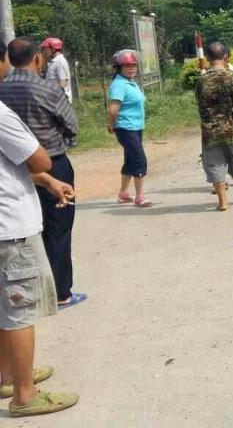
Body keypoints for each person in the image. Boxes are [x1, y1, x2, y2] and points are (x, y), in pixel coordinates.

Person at [0, 39, 80, 417]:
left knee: (4, 303)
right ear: (38, 57)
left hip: (23, 194)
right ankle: (25, 394)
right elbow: (41, 152)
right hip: (10, 221)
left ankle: (8, 374)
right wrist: (49, 171)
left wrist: (46, 181)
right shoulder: (40, 88)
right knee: (19, 309)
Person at [0, 38, 85, 309]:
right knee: (58, 228)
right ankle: (61, 292)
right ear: (37, 58)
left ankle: (28, 290)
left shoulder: (2, 90)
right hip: (52, 165)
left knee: (26, 231)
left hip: (14, 167)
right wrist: (60, 142)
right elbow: (71, 125)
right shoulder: (47, 88)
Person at [196, 42, 233, 212]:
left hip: (211, 131)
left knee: (215, 165)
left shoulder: (201, 81)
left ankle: (222, 201)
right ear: (226, 57)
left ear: (207, 58)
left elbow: (200, 105)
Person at [107, 50, 152, 207]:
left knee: (130, 160)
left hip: (135, 127)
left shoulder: (130, 82)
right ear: (119, 68)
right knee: (139, 160)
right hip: (126, 128)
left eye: (134, 65)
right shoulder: (119, 84)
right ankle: (140, 196)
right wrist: (111, 125)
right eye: (127, 66)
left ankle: (124, 193)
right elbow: (113, 109)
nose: (132, 68)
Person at [40, 38, 72, 104]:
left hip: (60, 102)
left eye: (45, 49)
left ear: (53, 49)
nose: (44, 52)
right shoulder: (53, 62)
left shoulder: (60, 61)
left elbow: (62, 84)